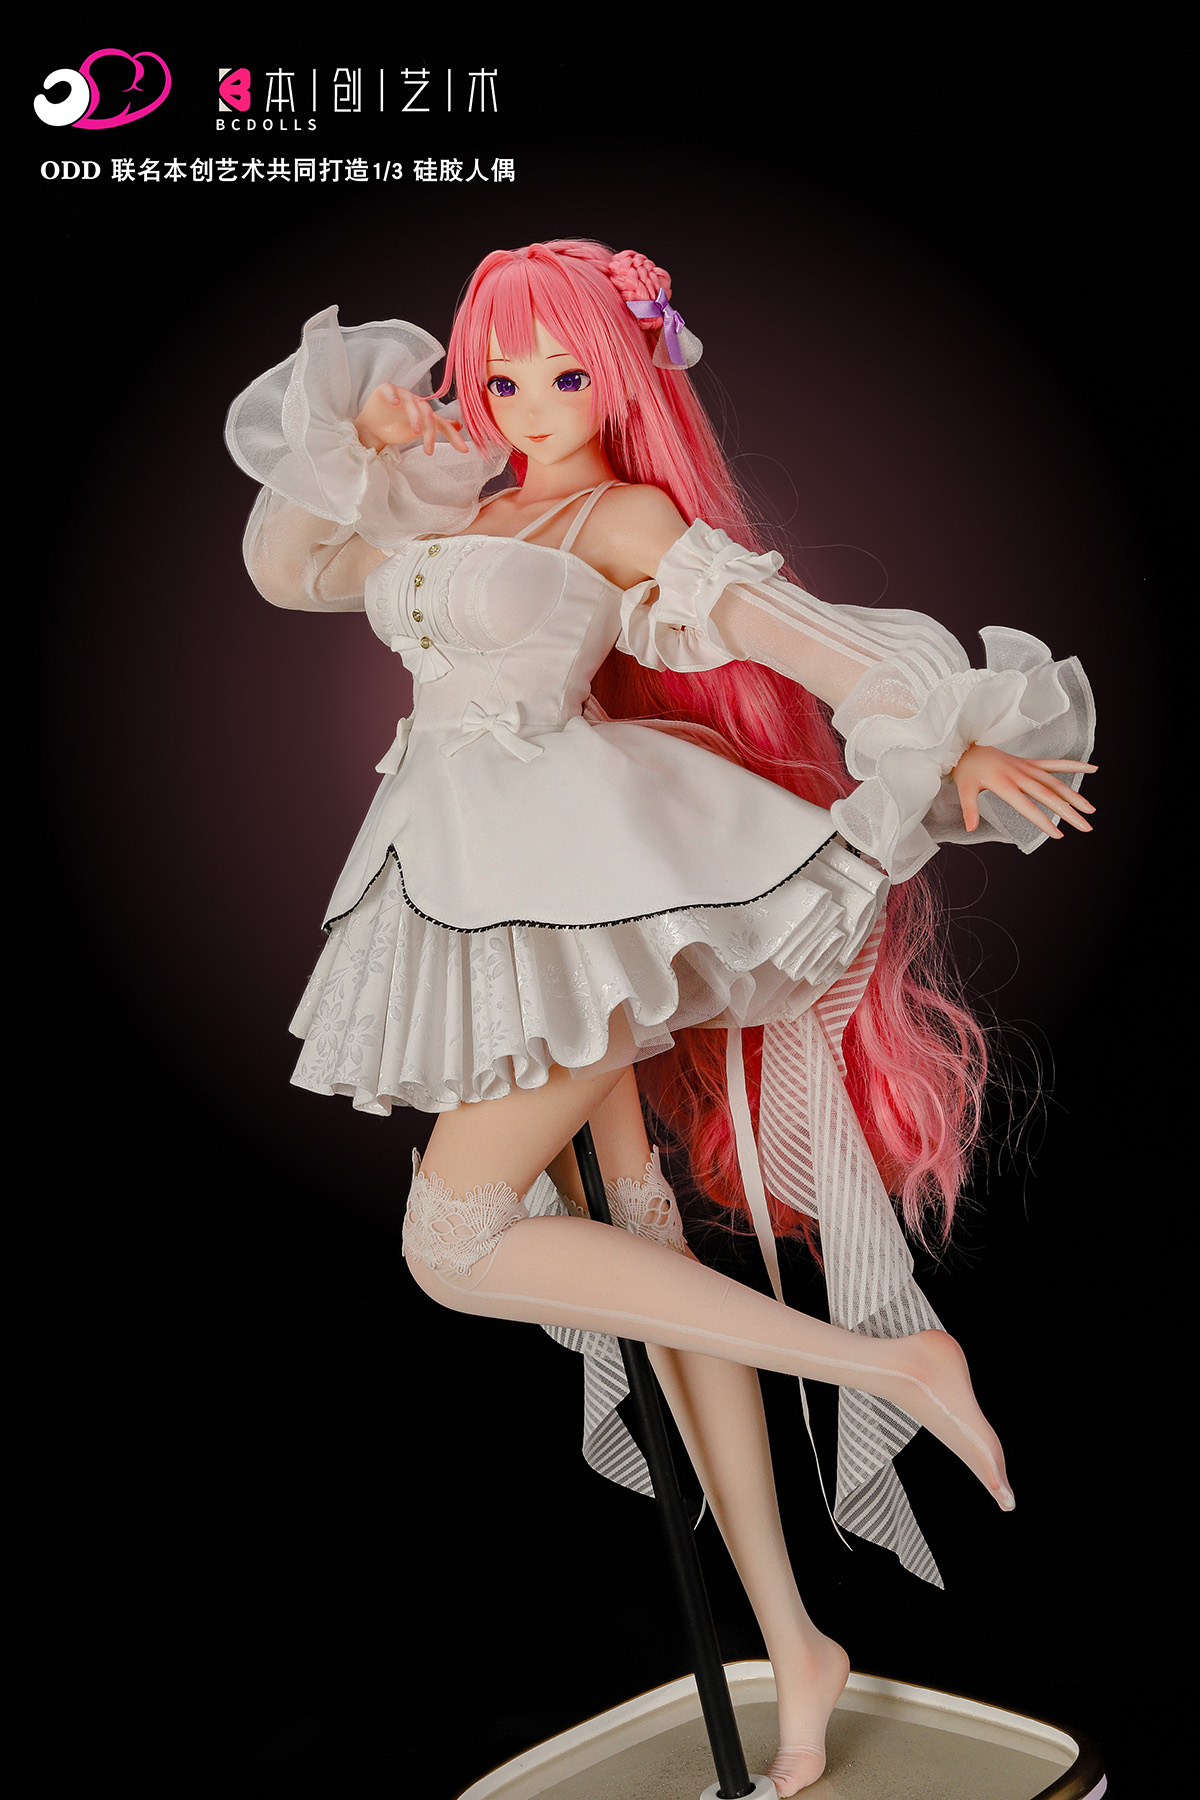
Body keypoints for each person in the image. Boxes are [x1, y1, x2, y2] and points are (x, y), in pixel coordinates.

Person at [225, 239, 1096, 1794]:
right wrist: (361, 439)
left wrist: (952, 738)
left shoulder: (621, 518)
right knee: (644, 1254)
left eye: (566, 373)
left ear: (623, 375)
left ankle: (891, 1363)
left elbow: (805, 638)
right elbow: (287, 566)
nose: (528, 402)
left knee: (454, 1244)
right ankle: (795, 1643)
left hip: (573, 890)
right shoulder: (452, 501)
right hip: (470, 888)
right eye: (500, 374)